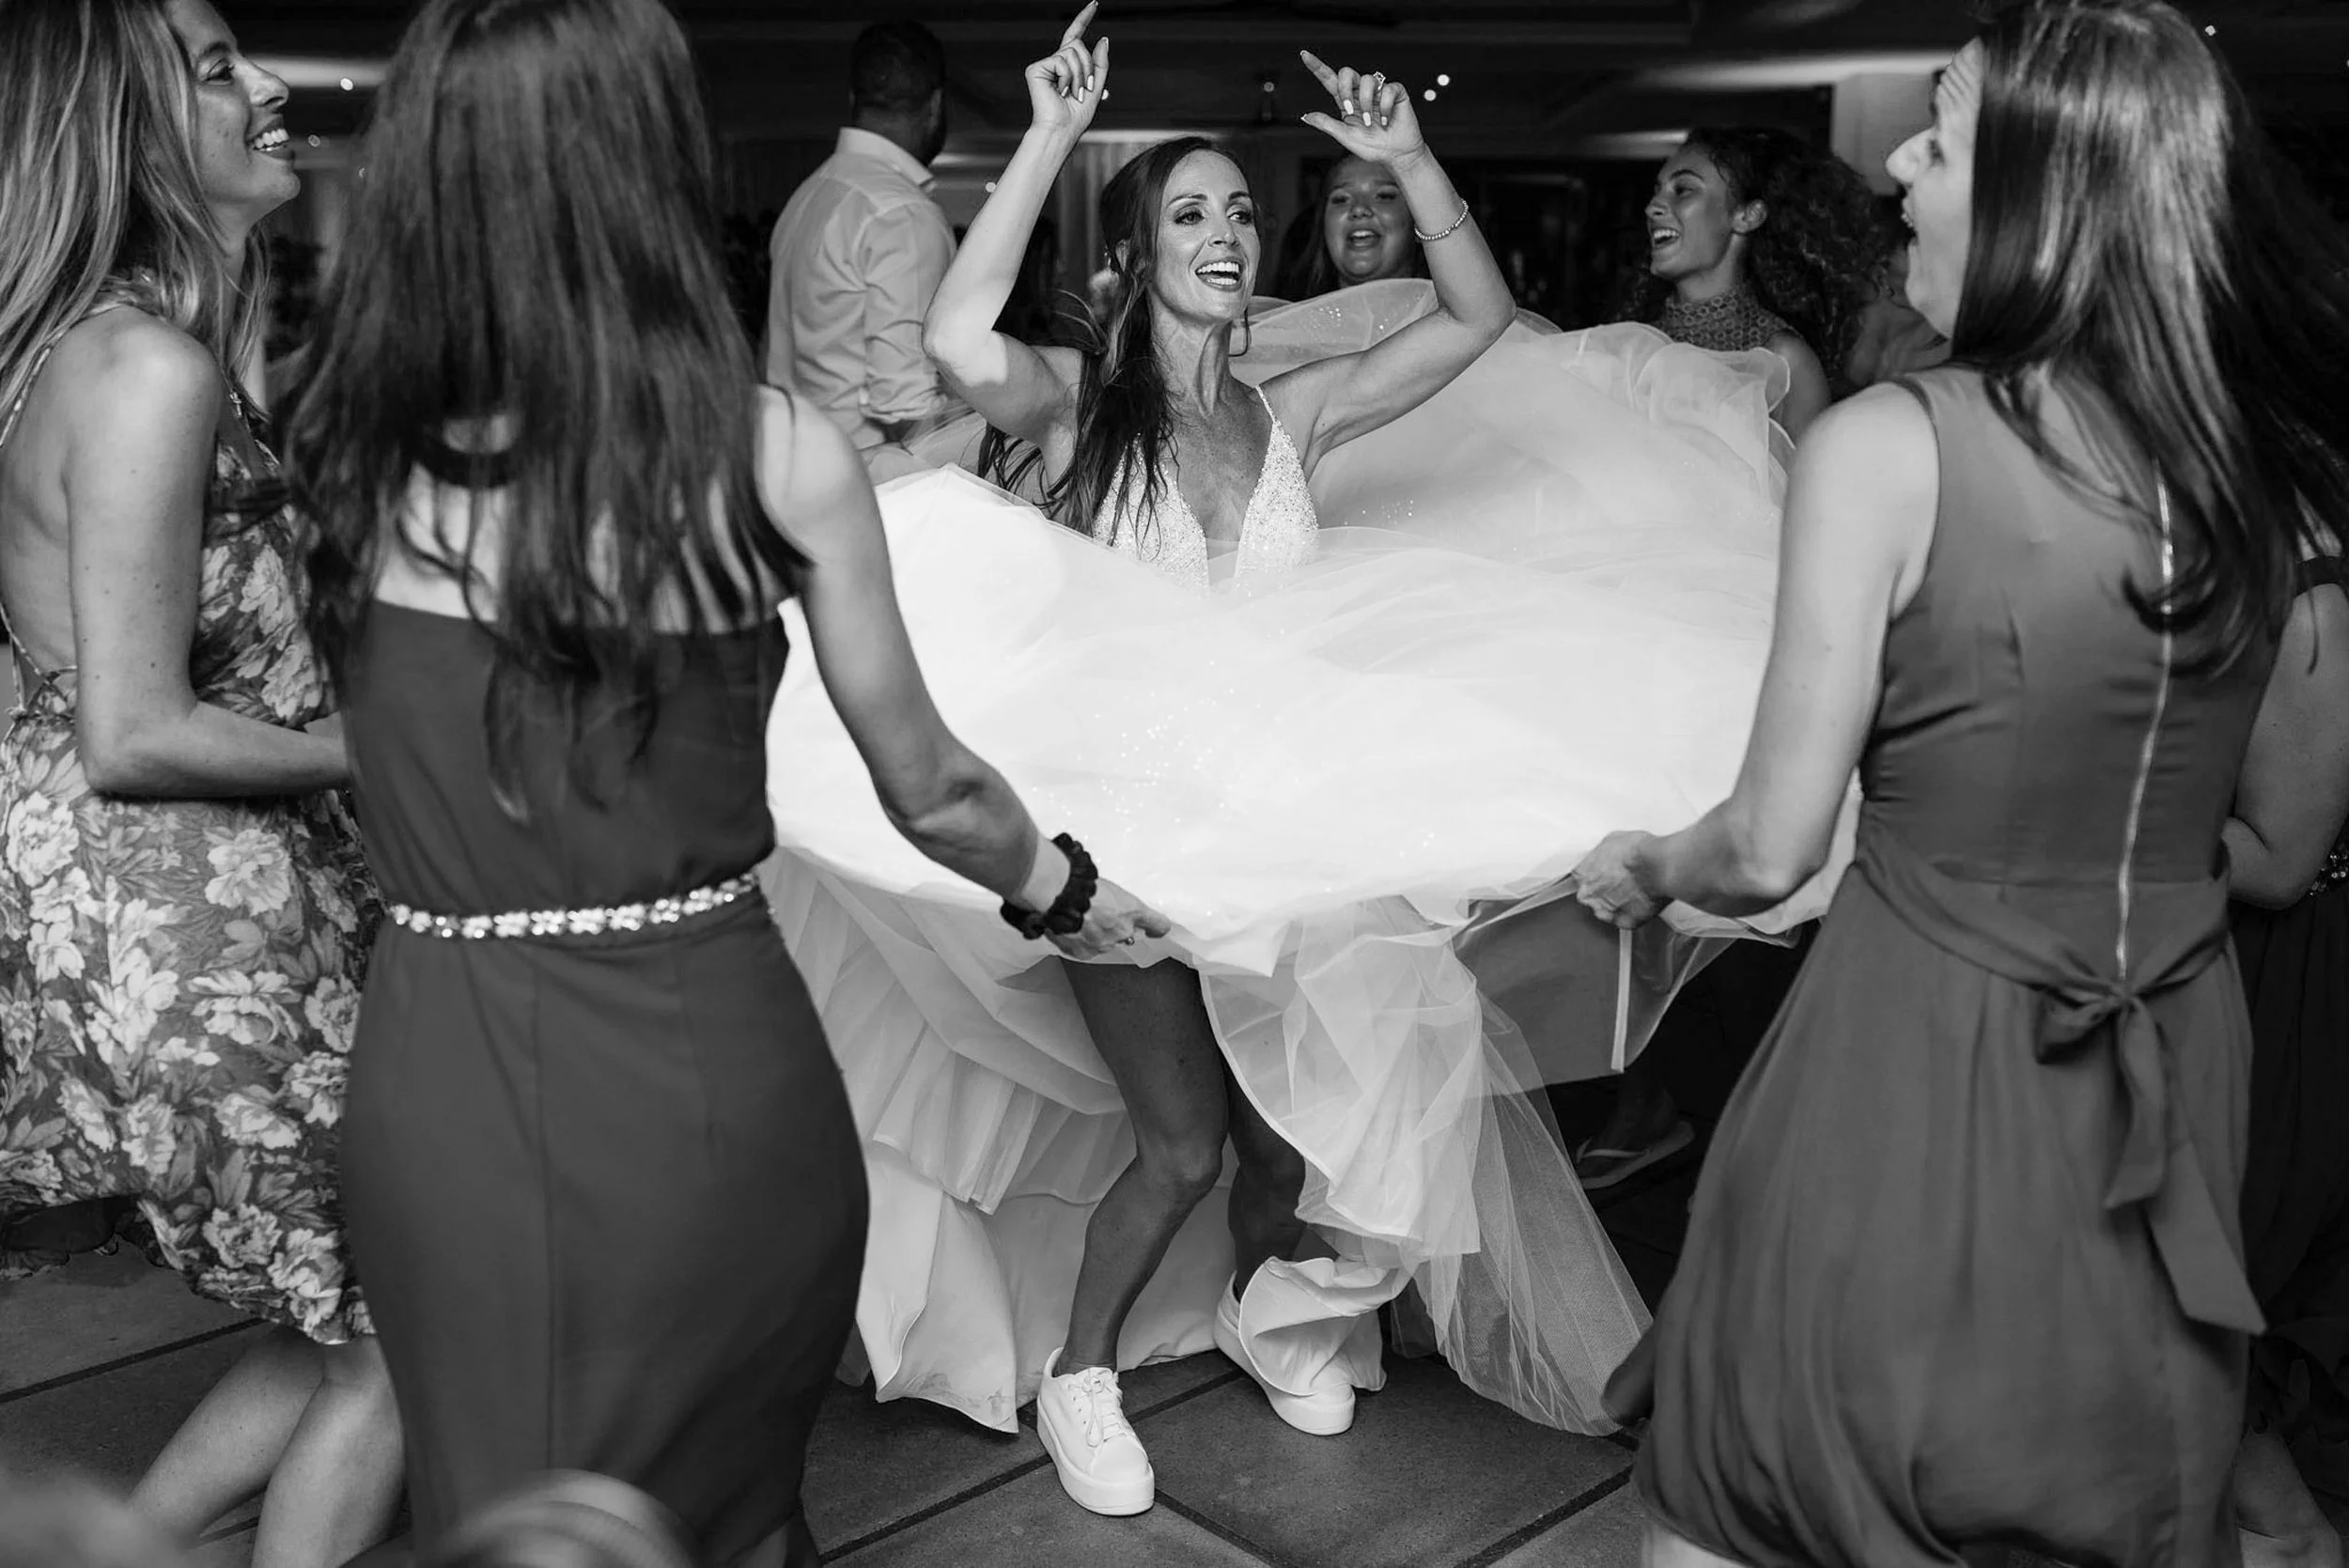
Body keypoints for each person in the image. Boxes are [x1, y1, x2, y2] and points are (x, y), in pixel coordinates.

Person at [280, 1, 1160, 1564]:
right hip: (709, 1071)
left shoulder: (340, 448)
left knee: (495, 1498)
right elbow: (938, 786)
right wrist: (1068, 890)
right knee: (733, 1508)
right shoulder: (773, 457)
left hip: (439, 1074)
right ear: (651, 168)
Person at [1570, 1, 2349, 1562]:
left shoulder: (1890, 446)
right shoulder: (2272, 488)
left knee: (1748, 1495)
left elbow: (1770, 837)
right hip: (2167, 1072)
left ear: (2045, 199)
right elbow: (2279, 844)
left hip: (1920, 1046)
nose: (1902, 173)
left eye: (1940, 134)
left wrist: (1648, 860)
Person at [922, 6, 1522, 1511]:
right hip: (1110, 841)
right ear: (1141, 249)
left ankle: (1263, 1318)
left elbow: (1476, 320)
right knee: (1181, 1147)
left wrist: (1408, 153)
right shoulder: (1070, 410)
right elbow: (948, 338)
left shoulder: (1292, 409)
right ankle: (1082, 1375)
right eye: (1191, 212)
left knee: (1285, 1145)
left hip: (1271, 827)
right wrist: (1052, 133)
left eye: (1244, 211)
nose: (1229, 233)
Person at [0, 4, 400, 1564]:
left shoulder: (114, 343)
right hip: (209, 929)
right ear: (127, 124)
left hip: (195, 907)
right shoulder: (144, 368)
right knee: (430, 1303)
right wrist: (397, 746)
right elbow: (131, 726)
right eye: (217, 64)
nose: (268, 86)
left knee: (360, 1305)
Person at [2226, 548, 2349, 1568]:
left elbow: (2279, 860)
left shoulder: (2309, 607)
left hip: (2273, 983)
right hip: (2190, 956)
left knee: (2202, 1327)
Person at [763, 21, 963, 480]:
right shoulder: (903, 214)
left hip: (791, 469)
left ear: (855, 100)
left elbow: (771, 355)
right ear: (935, 106)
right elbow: (906, 409)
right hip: (869, 489)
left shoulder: (809, 194)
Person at [1628, 126, 1883, 442]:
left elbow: (1809, 487)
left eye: (1683, 190)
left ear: (1747, 216)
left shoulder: (1784, 360)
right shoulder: (1633, 346)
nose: (1653, 206)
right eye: (1658, 190)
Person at [1275, 155, 1424, 301]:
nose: (1359, 209)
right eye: (1341, 199)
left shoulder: (1445, 318)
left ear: (1419, 221)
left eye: (1384, 196)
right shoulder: (1289, 323)